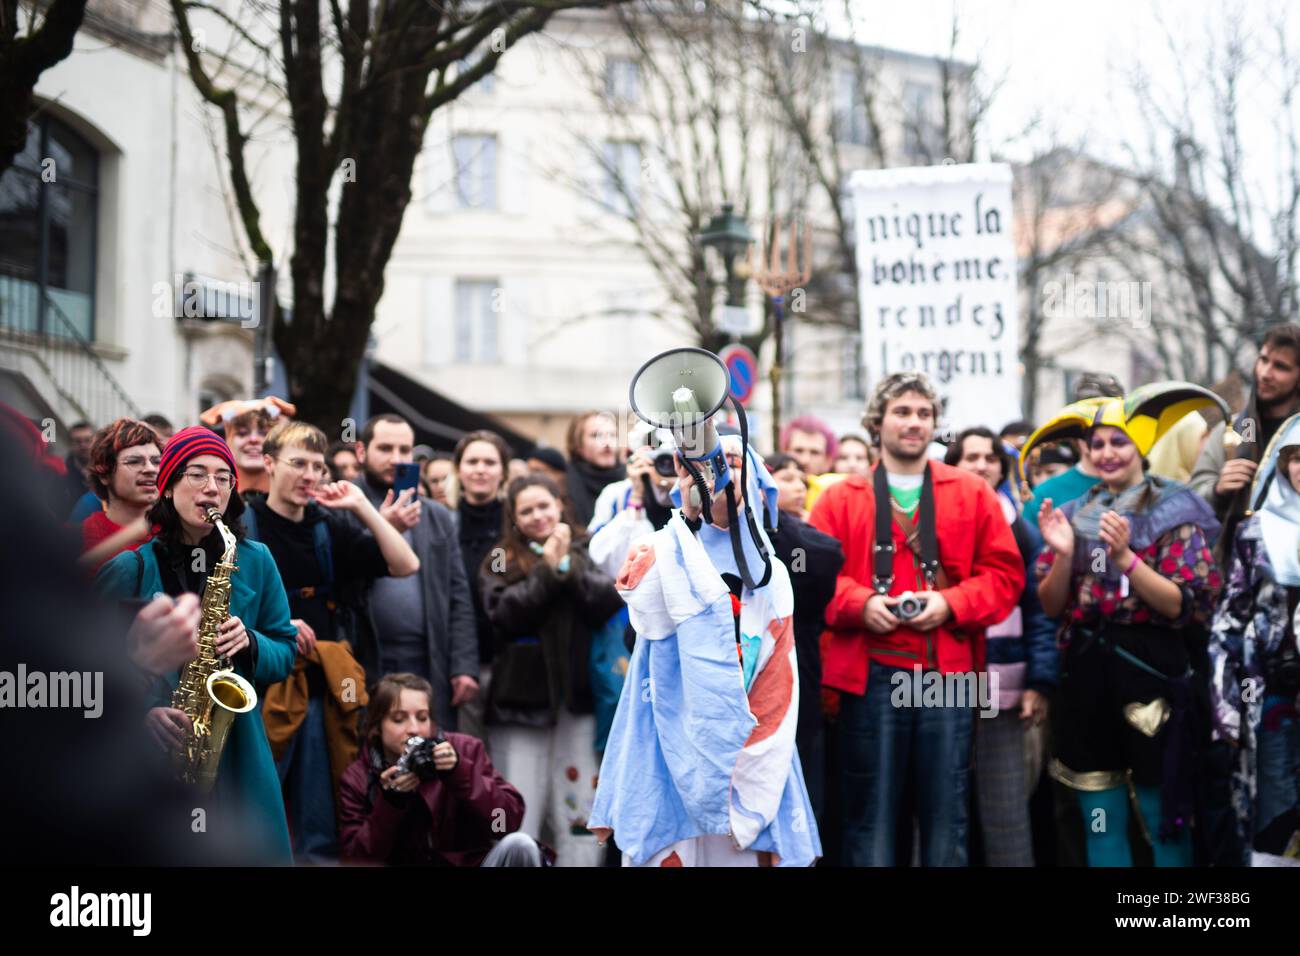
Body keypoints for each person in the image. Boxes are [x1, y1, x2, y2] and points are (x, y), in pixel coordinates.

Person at [808, 372, 1024, 867]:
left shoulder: (971, 493)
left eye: (924, 414)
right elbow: (813, 582)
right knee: (871, 824)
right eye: (902, 412)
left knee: (948, 822)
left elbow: (1005, 577)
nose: (914, 422)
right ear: (877, 422)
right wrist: (860, 603)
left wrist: (952, 604)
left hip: (946, 676)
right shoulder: (840, 498)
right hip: (870, 676)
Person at [590, 435, 821, 867]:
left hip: (750, 731)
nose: (723, 472)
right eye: (712, 463)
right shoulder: (663, 544)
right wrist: (689, 514)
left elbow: (793, 597)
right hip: (671, 730)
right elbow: (644, 609)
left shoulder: (770, 557)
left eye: (735, 462)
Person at [1029, 384, 1227, 867]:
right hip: (1086, 671)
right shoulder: (1076, 515)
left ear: (1140, 445)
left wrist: (1125, 559)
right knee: (1100, 813)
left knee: (1165, 816)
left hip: (1151, 668)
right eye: (1097, 444)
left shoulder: (1176, 508)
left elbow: (1186, 605)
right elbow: (1053, 605)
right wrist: (1063, 555)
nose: (1107, 453)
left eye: (1118, 442)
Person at [95, 425, 298, 862]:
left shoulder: (256, 560)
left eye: (224, 478)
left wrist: (252, 643)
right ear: (167, 488)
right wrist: (138, 712)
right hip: (148, 754)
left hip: (235, 751)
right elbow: (84, 670)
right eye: (197, 475)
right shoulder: (128, 568)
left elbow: (286, 650)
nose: (213, 488)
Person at [246, 420, 420, 864]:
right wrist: (277, 623)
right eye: (297, 463)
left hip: (322, 694)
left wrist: (362, 505)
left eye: (318, 467)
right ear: (268, 464)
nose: (310, 475)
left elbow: (406, 564)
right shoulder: (242, 523)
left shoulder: (328, 527)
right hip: (257, 689)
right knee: (253, 810)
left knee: (318, 823)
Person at [479, 474, 624, 865]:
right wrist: (545, 570)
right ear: (513, 517)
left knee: (579, 808)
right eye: (526, 510)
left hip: (577, 702)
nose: (537, 516)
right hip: (519, 704)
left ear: (560, 505)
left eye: (543, 505)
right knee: (518, 803)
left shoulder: (585, 548)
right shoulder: (500, 559)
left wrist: (566, 563)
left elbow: (606, 600)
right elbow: (504, 614)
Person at [946, 426, 1058, 865]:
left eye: (989, 457)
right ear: (950, 465)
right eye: (969, 457)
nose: (980, 465)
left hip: (1003, 689)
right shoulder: (927, 521)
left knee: (1007, 812)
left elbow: (1039, 612)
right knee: (939, 810)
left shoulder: (1021, 529)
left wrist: (1040, 681)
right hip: (939, 686)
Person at [1208, 413, 1300, 866]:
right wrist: (1226, 707)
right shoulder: (1256, 530)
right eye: (1296, 458)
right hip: (1273, 698)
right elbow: (1228, 621)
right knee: (1276, 819)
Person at [354, 414, 479, 730]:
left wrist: (464, 665)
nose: (396, 459)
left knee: (425, 749)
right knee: (364, 748)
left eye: (404, 450)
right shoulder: (347, 504)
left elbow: (458, 594)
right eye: (385, 448)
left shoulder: (435, 516)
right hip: (364, 655)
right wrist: (382, 528)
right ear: (360, 452)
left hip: (426, 657)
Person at [338, 673, 539, 866]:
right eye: (399, 719)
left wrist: (460, 774)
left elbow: (504, 824)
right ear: (376, 726)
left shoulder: (466, 749)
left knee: (520, 845)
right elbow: (357, 861)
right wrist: (390, 804)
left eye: (423, 717)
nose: (414, 729)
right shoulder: (357, 777)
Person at [762, 450, 844, 833]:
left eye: (801, 479)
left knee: (801, 810)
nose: (794, 486)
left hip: (799, 688)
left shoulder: (803, 539)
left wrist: (769, 513)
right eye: (785, 476)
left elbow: (827, 559)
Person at [1190, 325, 1300, 555]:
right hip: (1232, 573)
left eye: (1280, 367)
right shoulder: (1229, 432)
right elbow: (1191, 501)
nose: (1265, 373)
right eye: (1263, 360)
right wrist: (1218, 489)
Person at [448, 429, 513, 743]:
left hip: (510, 661)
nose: (480, 469)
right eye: (472, 461)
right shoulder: (441, 522)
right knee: (467, 758)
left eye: (490, 461)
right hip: (459, 664)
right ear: (459, 469)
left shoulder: (519, 522)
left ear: (503, 471)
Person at [78, 419, 161, 571]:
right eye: (134, 461)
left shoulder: (178, 533)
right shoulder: (79, 539)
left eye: (157, 461)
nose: (151, 469)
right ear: (104, 474)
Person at [200, 395, 297, 498]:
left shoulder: (297, 498)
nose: (253, 440)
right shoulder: (210, 494)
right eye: (242, 433)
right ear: (227, 441)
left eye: (264, 433)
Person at [564, 410, 624, 526]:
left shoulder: (632, 480)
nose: (607, 442)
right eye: (596, 435)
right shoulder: (564, 486)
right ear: (577, 445)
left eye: (612, 435)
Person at [59, 420, 95, 517]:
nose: (83, 445)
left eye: (88, 440)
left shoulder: (108, 472)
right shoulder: (60, 475)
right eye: (78, 441)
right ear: (70, 444)